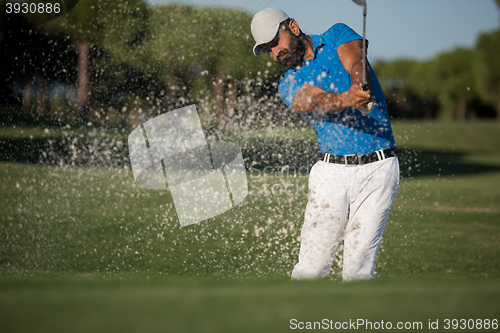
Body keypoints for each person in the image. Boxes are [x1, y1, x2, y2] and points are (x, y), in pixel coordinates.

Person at [250, 8, 400, 281]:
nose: (275, 53)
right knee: (311, 269)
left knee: (358, 271)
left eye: (275, 43)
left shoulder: (335, 34)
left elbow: (356, 60)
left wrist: (358, 85)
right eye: (268, 51)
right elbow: (311, 100)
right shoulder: (288, 82)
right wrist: (348, 98)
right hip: (331, 174)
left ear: (293, 27)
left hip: (380, 169)